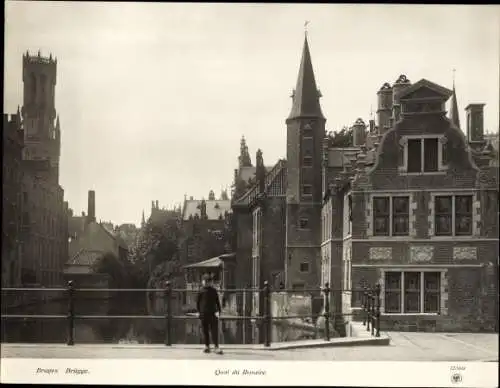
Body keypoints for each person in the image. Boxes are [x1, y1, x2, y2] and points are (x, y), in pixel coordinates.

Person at [196, 273, 223, 354]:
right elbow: (198, 303)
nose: (206, 283)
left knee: (214, 330)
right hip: (203, 313)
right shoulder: (200, 291)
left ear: (211, 282)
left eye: (208, 281)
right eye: (205, 281)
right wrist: (199, 312)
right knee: (205, 331)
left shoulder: (213, 291)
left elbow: (217, 301)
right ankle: (207, 346)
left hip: (212, 313)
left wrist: (219, 310)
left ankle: (216, 346)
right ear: (202, 282)